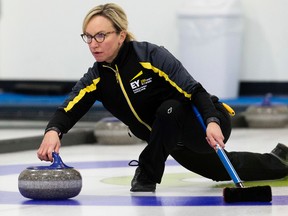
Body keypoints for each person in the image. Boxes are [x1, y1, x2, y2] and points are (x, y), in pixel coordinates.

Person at [37, 3, 288, 192]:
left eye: (101, 35)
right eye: (88, 37)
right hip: (170, 141)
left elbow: (195, 90)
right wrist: (53, 131)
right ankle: (280, 159)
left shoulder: (150, 56)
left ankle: (147, 173)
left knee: (169, 108)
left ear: (121, 35)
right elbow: (68, 108)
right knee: (222, 169)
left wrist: (212, 120)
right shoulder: (96, 78)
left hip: (205, 122)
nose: (94, 44)